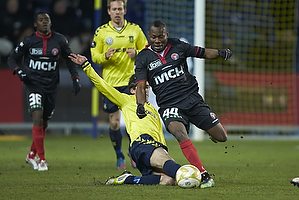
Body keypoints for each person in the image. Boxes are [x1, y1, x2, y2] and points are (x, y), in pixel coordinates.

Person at [135, 20, 233, 188]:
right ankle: (203, 174)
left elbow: (201, 52)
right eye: (153, 37)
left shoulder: (178, 46)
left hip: (192, 99)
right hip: (169, 105)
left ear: (167, 34)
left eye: (161, 36)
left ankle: (209, 130)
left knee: (222, 137)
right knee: (179, 132)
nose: (157, 40)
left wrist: (220, 53)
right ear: (149, 36)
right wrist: (140, 104)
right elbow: (141, 84)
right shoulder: (143, 57)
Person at [69, 53, 181, 186]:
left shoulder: (153, 110)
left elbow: (159, 134)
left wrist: (163, 150)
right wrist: (86, 66)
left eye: (147, 87)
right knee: (173, 167)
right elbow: (103, 86)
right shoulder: (126, 101)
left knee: (168, 180)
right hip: (142, 143)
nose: (145, 90)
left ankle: (128, 179)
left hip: (153, 148)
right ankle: (200, 176)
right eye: (141, 87)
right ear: (132, 90)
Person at [7, 11, 81, 171]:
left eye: (47, 20)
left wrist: (75, 77)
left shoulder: (59, 40)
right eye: (41, 20)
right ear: (36, 24)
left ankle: (31, 155)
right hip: (33, 84)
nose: (44, 22)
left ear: (51, 23)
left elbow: (70, 59)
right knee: (37, 117)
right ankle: (42, 159)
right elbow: (12, 58)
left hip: (51, 87)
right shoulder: (28, 41)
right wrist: (19, 71)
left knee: (44, 122)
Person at [90, 0, 148, 170]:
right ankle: (119, 155)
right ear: (108, 11)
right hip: (111, 85)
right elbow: (94, 56)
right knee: (114, 122)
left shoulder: (135, 30)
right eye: (114, 9)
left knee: (134, 121)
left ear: (125, 10)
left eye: (120, 9)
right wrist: (105, 56)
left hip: (131, 82)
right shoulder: (101, 32)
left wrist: (136, 53)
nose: (117, 12)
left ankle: (134, 153)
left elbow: (147, 50)